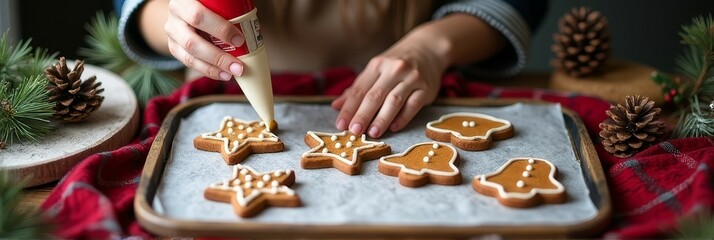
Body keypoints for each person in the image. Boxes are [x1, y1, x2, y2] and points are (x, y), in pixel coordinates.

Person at [116, 0, 547, 138]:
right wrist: (175, 22)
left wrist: (433, 46)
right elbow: (136, 7)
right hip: (221, 84)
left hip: (414, 85)